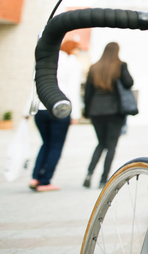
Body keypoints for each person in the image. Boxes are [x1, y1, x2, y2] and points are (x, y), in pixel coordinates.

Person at [29, 40, 83, 192]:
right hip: (60, 108)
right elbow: (73, 89)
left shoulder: (46, 59)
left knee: (45, 143)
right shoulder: (72, 63)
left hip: (40, 108)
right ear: (72, 49)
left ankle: (35, 178)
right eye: (78, 49)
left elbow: (35, 84)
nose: (79, 52)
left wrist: (28, 110)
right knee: (56, 146)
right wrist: (76, 114)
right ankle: (45, 182)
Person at [82, 42, 134, 189]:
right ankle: (103, 180)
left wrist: (87, 112)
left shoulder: (94, 68)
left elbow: (88, 93)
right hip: (115, 112)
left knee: (101, 143)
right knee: (111, 145)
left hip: (96, 111)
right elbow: (129, 83)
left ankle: (89, 174)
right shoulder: (120, 66)